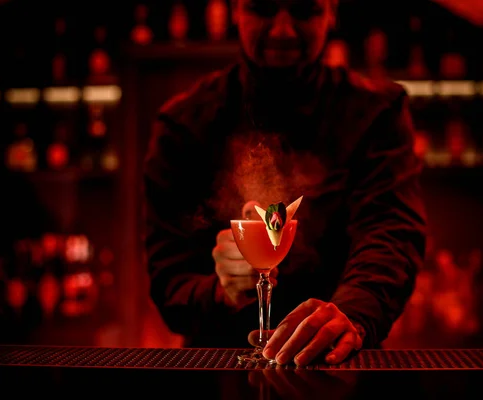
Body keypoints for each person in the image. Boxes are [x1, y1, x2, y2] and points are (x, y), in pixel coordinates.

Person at [143, 0, 427, 366]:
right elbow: (169, 282)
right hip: (216, 373)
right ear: (236, 10)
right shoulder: (183, 125)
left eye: (304, 10)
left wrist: (351, 315)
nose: (282, 30)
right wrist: (220, 292)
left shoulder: (375, 114)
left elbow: (391, 234)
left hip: (339, 368)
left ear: (332, 11)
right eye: (263, 9)